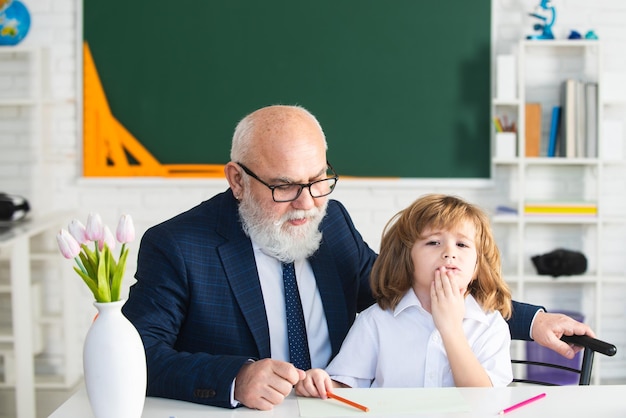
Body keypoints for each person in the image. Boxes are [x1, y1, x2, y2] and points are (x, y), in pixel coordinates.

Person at [122, 104, 594, 410]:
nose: (307, 204)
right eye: (285, 186)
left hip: (344, 406)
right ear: (237, 179)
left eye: (318, 180)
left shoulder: (332, 219)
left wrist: (531, 321)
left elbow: (399, 286)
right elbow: (137, 356)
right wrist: (237, 377)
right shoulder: (178, 245)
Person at [296, 194, 513, 397]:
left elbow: (485, 401)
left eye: (462, 244)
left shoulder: (490, 326)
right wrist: (321, 384)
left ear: (476, 268)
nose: (449, 252)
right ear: (406, 259)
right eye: (433, 242)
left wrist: (451, 329)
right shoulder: (376, 321)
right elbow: (345, 385)